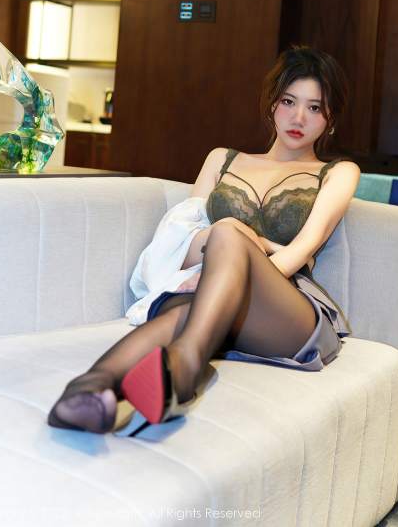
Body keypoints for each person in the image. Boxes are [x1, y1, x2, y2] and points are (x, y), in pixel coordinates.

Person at [48, 44, 361, 434]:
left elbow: (302, 250)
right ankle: (86, 393)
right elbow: (181, 242)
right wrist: (225, 250)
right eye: (288, 101)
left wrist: (245, 244)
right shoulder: (221, 159)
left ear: (330, 119)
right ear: (272, 104)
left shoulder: (339, 172)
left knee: (225, 236)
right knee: (184, 311)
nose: (299, 117)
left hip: (285, 310)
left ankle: (186, 368)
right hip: (209, 288)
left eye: (315, 107)